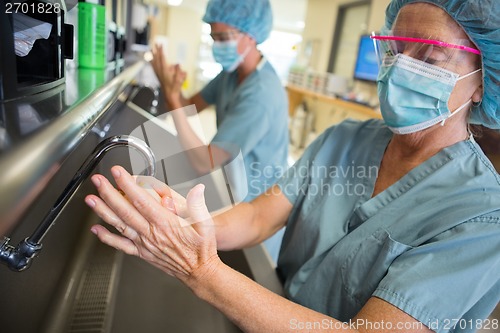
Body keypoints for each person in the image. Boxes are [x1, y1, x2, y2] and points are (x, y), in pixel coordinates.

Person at [85, 0, 500, 332]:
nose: (401, 71)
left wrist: (201, 270)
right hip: (271, 301)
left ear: (484, 79)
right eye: (394, 51)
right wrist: (186, 226)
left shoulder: (481, 216)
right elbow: (259, 215)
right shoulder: (344, 139)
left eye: (430, 58)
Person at [150, 0, 288, 261]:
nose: (217, 46)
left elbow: (205, 160)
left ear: (251, 35)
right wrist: (171, 88)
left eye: (223, 37)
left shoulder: (261, 94)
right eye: (214, 38)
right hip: (232, 195)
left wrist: (173, 98)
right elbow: (190, 105)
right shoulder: (231, 75)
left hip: (255, 212)